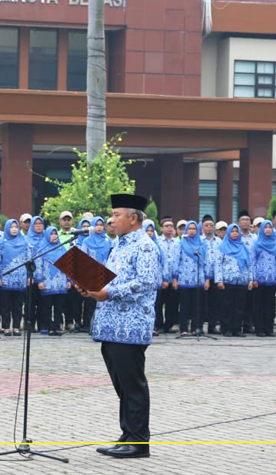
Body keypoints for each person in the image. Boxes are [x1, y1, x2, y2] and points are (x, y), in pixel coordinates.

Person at [84, 194, 160, 459]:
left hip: (131, 326)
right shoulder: (118, 244)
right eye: (111, 214)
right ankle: (128, 433)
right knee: (122, 384)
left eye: (116, 214)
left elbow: (146, 282)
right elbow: (110, 279)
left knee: (132, 383)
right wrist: (92, 288)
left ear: (133, 218)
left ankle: (139, 441)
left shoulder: (145, 246)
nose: (110, 219)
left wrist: (108, 292)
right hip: (110, 325)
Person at [214, 223, 253, 337]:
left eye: (237, 231)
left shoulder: (244, 247)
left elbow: (249, 265)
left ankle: (236, 329)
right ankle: (226, 328)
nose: (235, 233)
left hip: (241, 281)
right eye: (232, 231)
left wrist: (250, 279)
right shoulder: (222, 247)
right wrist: (219, 280)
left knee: (239, 307)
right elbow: (218, 265)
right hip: (227, 281)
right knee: (227, 306)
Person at [80, 216, 114, 331]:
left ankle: (103, 326)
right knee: (91, 302)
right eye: (96, 225)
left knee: (104, 302)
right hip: (91, 275)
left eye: (101, 225)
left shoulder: (109, 241)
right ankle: (90, 326)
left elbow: (112, 258)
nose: (99, 227)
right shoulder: (86, 241)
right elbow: (83, 259)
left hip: (105, 275)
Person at [35, 226, 70, 336]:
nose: (54, 236)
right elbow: (38, 265)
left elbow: (68, 265)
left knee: (59, 307)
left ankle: (56, 327)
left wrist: (68, 280)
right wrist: (39, 280)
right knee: (46, 307)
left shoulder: (62, 248)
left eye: (55, 233)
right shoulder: (42, 248)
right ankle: (46, 326)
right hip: (47, 282)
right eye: (51, 234)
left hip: (60, 283)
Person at [177, 220, 209, 335]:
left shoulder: (202, 244)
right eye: (189, 229)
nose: (191, 231)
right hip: (184, 278)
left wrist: (207, 278)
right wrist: (175, 277)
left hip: (198, 279)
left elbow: (206, 262)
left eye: (194, 229)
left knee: (197, 305)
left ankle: (196, 327)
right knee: (185, 305)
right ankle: (184, 328)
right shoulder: (181, 243)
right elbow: (177, 260)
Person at [0, 219, 29, 336]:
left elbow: (28, 260)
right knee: (5, 305)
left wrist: (29, 276)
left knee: (18, 305)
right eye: (12, 227)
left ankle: (16, 327)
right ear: (7, 228)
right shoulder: (1, 242)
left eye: (16, 227)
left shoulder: (24, 242)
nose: (14, 229)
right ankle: (6, 327)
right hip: (5, 278)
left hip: (20, 279)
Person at [252, 220, 276, 337]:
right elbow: (253, 261)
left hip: (272, 279)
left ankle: (268, 328)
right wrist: (254, 277)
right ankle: (259, 328)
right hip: (259, 280)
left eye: (270, 227)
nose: (268, 230)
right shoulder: (256, 243)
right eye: (265, 228)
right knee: (259, 305)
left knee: (270, 306)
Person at [156, 217, 180, 333]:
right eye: (167, 226)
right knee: (159, 303)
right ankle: (159, 325)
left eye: (171, 226)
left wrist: (175, 278)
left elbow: (179, 260)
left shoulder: (177, 242)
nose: (169, 228)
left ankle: (169, 325)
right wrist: (162, 278)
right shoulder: (157, 242)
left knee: (172, 303)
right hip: (161, 278)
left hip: (174, 278)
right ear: (161, 228)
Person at [200, 215, 223, 335]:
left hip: (216, 276)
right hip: (202, 277)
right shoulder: (199, 241)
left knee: (215, 303)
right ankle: (199, 326)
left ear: (214, 227)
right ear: (202, 227)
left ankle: (212, 326)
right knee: (202, 303)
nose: (209, 228)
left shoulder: (219, 241)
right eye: (206, 225)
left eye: (211, 225)